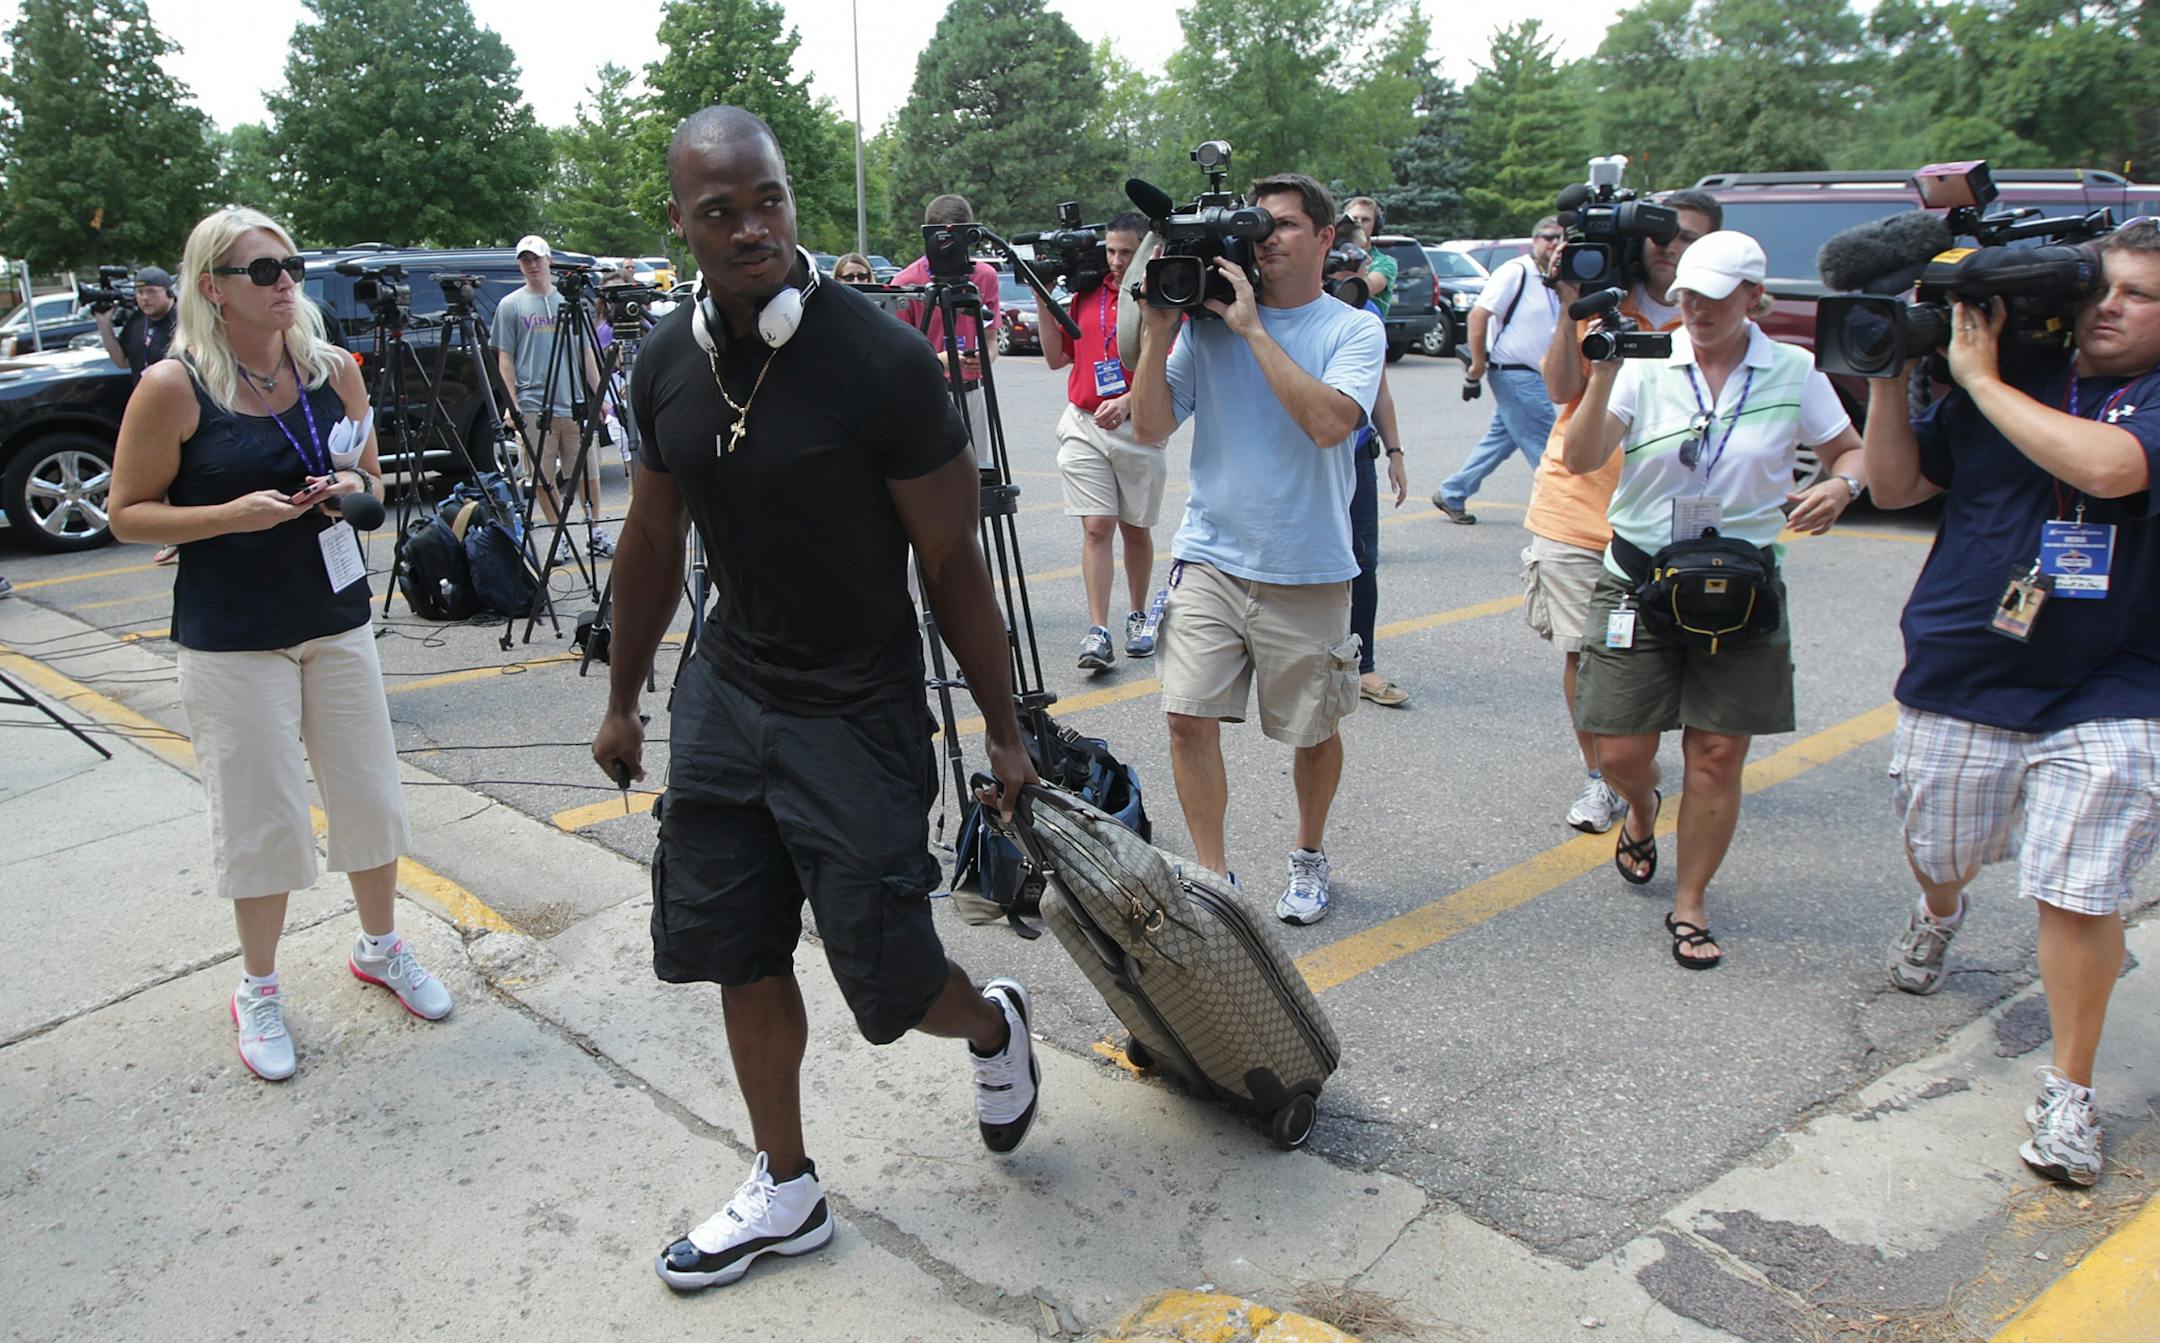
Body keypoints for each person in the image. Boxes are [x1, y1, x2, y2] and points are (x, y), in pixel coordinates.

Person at [591, 107, 1042, 1292]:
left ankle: (991, 1023)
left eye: (771, 201)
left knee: (892, 983)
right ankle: (785, 1183)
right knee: (736, 943)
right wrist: (625, 697)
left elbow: (952, 561)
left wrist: (1002, 730)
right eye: (721, 211)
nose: (754, 229)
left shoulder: (882, 363)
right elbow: (651, 536)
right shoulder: (666, 360)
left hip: (856, 710)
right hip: (728, 691)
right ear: (680, 222)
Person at [106, 206, 450, 1081]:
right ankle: (258, 987)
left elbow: (373, 482)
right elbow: (126, 513)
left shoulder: (332, 369)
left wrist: (347, 486)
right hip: (234, 636)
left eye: (289, 264)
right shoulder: (174, 385)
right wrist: (227, 515)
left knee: (368, 797)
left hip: (334, 618)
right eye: (263, 270)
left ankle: (380, 946)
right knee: (262, 818)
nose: (286, 280)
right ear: (213, 287)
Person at [1866, 218, 2160, 1188]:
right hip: (1965, 666)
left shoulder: (2069, 389)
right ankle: (1939, 906)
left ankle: (2068, 1092)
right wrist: (1890, 370)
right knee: (1941, 846)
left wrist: (1982, 381)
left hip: (2114, 679)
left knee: (2081, 887)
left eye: (2140, 295)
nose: (2109, 307)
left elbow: (2111, 468)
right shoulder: (2017, 367)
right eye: (2101, 287)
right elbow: (1895, 485)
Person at [1560, 231, 1865, 968]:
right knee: (1620, 747)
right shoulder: (1648, 361)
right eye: (1687, 294)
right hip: (1641, 578)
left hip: (1740, 589)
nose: (1696, 308)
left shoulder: (1793, 370)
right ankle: (1641, 807)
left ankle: (1691, 902)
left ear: (1754, 297)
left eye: (1715, 296)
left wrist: (1841, 485)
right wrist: (1603, 374)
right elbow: (1580, 456)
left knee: (1718, 753)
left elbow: (1849, 451)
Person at [1131, 172, 1385, 927]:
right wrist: (1158, 332)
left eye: (1284, 225)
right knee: (1185, 717)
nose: (1266, 239)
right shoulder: (1205, 327)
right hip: (1210, 554)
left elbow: (1330, 424)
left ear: (1325, 238)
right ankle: (1214, 879)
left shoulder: (1351, 329)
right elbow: (1150, 427)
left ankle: (1308, 853)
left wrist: (1252, 330)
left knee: (1314, 729)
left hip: (1306, 565)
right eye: (1257, 225)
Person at [1529, 191, 1721, 833]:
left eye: (1688, 237)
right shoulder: (1606, 300)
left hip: (1678, 522)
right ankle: (1603, 779)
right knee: (1584, 653)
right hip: (1578, 508)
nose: (1670, 247)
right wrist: (1568, 304)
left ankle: (1648, 765)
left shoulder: (1717, 317)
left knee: (1676, 657)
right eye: (1663, 235)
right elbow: (1561, 389)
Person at [1040, 211, 1165, 672]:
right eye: (1110, 250)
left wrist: (1130, 401)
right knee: (1096, 526)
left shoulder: (1158, 297)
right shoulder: (1086, 294)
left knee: (1135, 528)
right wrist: (1042, 299)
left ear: (1145, 252)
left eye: (1126, 252)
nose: (1116, 260)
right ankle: (1098, 629)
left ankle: (1137, 614)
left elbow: (1171, 365)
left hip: (1139, 426)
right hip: (1084, 423)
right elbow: (1056, 357)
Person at [1330, 219, 1412, 707]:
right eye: (1346, 259)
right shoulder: (1288, 308)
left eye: (1360, 259)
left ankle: (1363, 665)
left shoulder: (1367, 314)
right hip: (1307, 457)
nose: (1355, 268)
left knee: (1363, 561)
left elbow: (1379, 389)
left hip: (1357, 451)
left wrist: (1395, 453)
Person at [1434, 219, 1565, 523]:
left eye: (1560, 238)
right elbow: (1478, 315)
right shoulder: (1516, 271)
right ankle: (1560, 511)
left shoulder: (1552, 278)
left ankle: (1453, 492)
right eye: (1548, 237)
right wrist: (1477, 364)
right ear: (1534, 240)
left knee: (1499, 442)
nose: (1554, 243)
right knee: (1548, 448)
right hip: (1516, 374)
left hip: (1533, 375)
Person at [493, 234, 613, 558]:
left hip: (573, 401)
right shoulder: (510, 305)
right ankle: (558, 534)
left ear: (549, 261)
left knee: (588, 470)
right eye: (525, 260)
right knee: (541, 476)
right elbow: (505, 358)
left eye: (536, 258)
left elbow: (586, 352)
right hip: (533, 403)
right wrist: (511, 404)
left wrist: (600, 395)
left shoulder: (569, 303)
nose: (532, 265)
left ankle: (594, 531)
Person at [892, 196, 1002, 464]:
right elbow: (895, 358)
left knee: (977, 474)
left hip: (972, 391)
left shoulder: (985, 276)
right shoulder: (906, 282)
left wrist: (986, 357)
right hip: (928, 392)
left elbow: (991, 339)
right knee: (930, 473)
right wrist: (937, 360)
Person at [98, 266, 185, 563]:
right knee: (154, 474)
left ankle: (180, 536)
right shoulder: (137, 322)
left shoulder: (183, 322)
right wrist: (104, 325)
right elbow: (122, 361)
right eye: (139, 292)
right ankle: (174, 536)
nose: (144, 298)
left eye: (151, 292)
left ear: (168, 292)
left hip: (180, 410)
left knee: (179, 474)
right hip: (148, 408)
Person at [1342, 196, 1396, 317]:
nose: (1359, 223)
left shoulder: (1385, 262)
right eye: (1354, 218)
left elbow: (1364, 288)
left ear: (1375, 226)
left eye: (1365, 219)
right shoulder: (1332, 255)